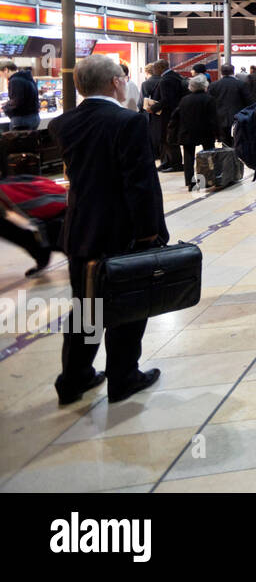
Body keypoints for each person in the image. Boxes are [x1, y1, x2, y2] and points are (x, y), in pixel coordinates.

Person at [50, 54, 167, 404]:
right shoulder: (129, 122)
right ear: (116, 82)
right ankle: (123, 376)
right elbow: (140, 184)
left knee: (86, 305)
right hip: (123, 232)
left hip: (81, 230)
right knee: (128, 305)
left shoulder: (63, 124)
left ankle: (74, 377)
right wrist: (151, 234)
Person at [176, 74, 220, 189]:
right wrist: (218, 133)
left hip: (187, 131)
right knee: (208, 156)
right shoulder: (209, 99)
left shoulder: (184, 99)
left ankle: (190, 182)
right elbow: (213, 118)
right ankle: (207, 179)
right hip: (205, 131)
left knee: (188, 158)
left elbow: (177, 115)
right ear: (205, 85)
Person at [209, 63, 254, 145]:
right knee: (237, 142)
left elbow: (210, 103)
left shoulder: (214, 85)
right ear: (233, 71)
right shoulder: (240, 84)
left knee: (225, 143)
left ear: (221, 72)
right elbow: (249, 102)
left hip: (220, 118)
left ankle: (226, 157)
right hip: (237, 118)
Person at [156, 60, 187, 172]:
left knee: (169, 139)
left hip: (169, 114)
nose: (155, 70)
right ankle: (168, 162)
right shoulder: (175, 76)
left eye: (156, 67)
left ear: (161, 67)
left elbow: (166, 100)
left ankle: (175, 164)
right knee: (170, 139)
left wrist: (154, 107)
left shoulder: (166, 80)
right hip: (177, 112)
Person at [1, 58, 41, 130]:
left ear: (6, 70)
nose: (1, 76)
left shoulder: (15, 80)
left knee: (18, 141)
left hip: (22, 120)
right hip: (34, 117)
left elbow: (17, 102)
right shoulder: (27, 77)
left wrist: (4, 107)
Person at [140, 60, 164, 159]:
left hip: (151, 113)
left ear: (147, 72)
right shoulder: (164, 80)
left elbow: (142, 102)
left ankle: (155, 155)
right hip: (164, 112)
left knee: (152, 136)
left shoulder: (146, 84)